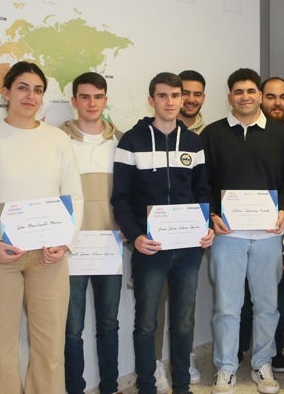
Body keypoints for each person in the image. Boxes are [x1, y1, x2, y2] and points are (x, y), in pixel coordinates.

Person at [0, 61, 84, 394]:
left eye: (38, 90)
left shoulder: (57, 140)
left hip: (49, 258)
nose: (30, 96)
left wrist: (65, 242)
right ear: (6, 92)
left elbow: (74, 197)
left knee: (50, 348)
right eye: (23, 88)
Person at [111, 72, 214, 394]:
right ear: (151, 100)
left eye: (176, 95)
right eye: (163, 96)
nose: (170, 102)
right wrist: (135, 235)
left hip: (187, 251)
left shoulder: (194, 142)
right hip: (149, 249)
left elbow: (202, 192)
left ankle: (182, 385)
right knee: (146, 324)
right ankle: (146, 387)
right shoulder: (131, 141)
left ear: (183, 99)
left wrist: (207, 227)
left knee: (183, 322)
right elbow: (121, 198)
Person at [201, 68, 284, 394]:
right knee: (226, 307)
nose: (245, 96)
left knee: (267, 305)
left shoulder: (280, 134)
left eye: (251, 91)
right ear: (230, 97)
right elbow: (205, 183)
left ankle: (262, 362)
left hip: (269, 235)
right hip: (228, 235)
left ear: (259, 95)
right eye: (238, 91)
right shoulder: (212, 134)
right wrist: (212, 214)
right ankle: (226, 367)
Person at [61, 72, 123, 394]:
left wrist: (129, 226)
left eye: (98, 97)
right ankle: (75, 388)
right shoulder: (57, 140)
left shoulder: (121, 142)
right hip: (69, 249)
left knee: (108, 323)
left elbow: (129, 195)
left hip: (108, 245)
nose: (91, 103)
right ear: (74, 101)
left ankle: (110, 387)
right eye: (84, 97)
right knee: (71, 329)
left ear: (105, 100)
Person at [237, 76, 284, 374]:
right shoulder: (236, 132)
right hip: (238, 227)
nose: (277, 103)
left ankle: (274, 345)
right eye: (271, 97)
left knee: (275, 293)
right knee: (242, 292)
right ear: (262, 98)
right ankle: (240, 343)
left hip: (279, 225)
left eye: (283, 97)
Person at [153, 69, 207, 392]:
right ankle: (158, 364)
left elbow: (204, 187)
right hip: (158, 238)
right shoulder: (149, 134)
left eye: (194, 93)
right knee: (156, 306)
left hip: (190, 237)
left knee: (185, 304)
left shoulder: (205, 135)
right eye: (180, 92)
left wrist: (205, 222)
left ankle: (183, 358)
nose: (187, 99)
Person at [178, 69, 207, 133]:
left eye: (197, 95)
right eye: (185, 93)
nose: (191, 100)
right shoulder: (159, 130)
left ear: (203, 98)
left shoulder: (209, 135)